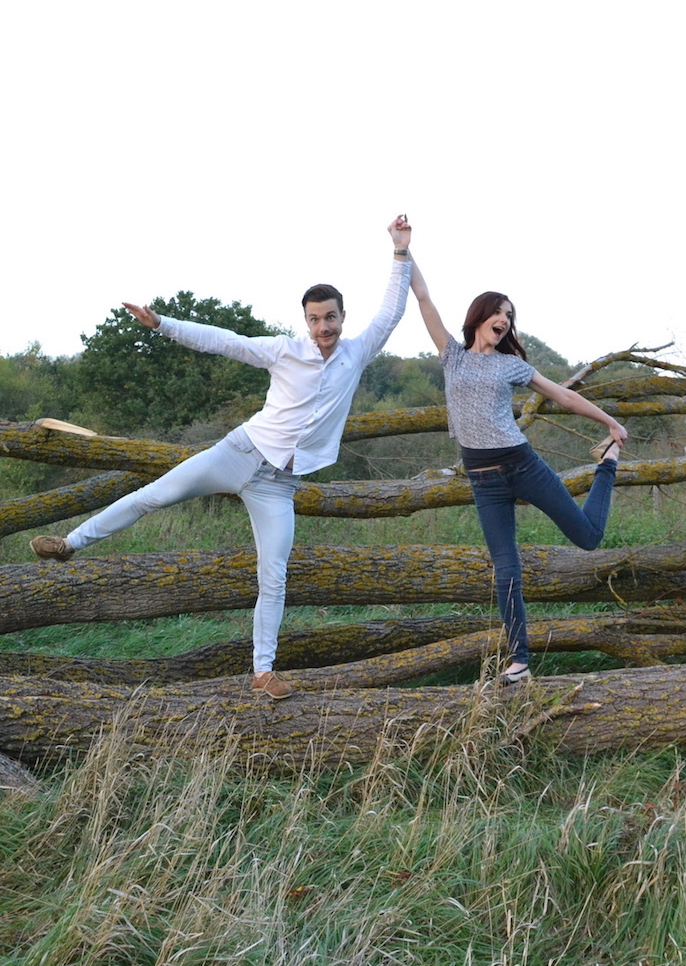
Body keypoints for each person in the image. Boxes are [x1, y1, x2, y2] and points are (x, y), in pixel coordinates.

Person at [30, 217, 415, 699]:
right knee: (154, 495)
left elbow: (393, 311)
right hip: (238, 452)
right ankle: (69, 543)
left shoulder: (356, 353)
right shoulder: (284, 351)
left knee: (273, 574)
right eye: (315, 319)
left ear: (342, 316)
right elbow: (224, 340)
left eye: (330, 318)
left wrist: (400, 252)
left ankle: (262, 672)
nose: (324, 328)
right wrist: (162, 324)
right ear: (305, 321)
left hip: (279, 484)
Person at [399, 217, 627, 684]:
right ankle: (519, 660)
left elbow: (562, 395)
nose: (505, 319)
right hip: (483, 481)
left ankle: (607, 466)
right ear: (480, 316)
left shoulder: (512, 366)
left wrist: (608, 422)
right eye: (498, 311)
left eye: (510, 315)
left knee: (587, 538)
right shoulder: (451, 355)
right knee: (506, 571)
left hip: (522, 466)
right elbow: (423, 298)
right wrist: (403, 250)